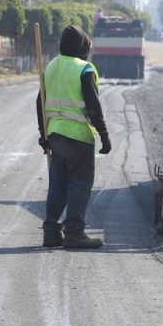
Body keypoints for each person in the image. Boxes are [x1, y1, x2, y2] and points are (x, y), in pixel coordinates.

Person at [37, 24, 110, 249]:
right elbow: (93, 106)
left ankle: (51, 233)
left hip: (56, 136)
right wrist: (104, 134)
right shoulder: (84, 69)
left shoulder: (50, 67)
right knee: (79, 183)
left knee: (57, 185)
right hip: (78, 137)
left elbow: (39, 103)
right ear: (82, 46)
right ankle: (74, 233)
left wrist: (44, 134)